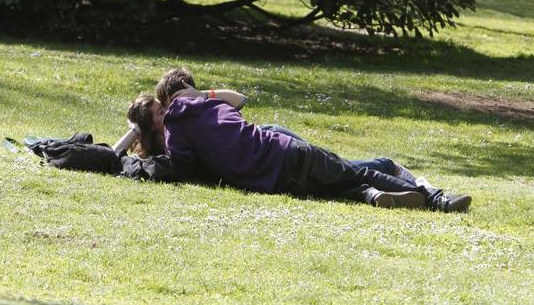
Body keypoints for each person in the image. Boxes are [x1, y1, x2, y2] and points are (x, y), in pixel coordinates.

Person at [154, 67, 472, 211]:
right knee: (352, 172)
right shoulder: (210, 103)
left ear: (167, 98)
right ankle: (435, 198)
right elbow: (239, 100)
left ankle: (375, 194)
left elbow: (182, 166)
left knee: (334, 183)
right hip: (284, 151)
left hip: (273, 181)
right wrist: (201, 92)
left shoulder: (176, 121)